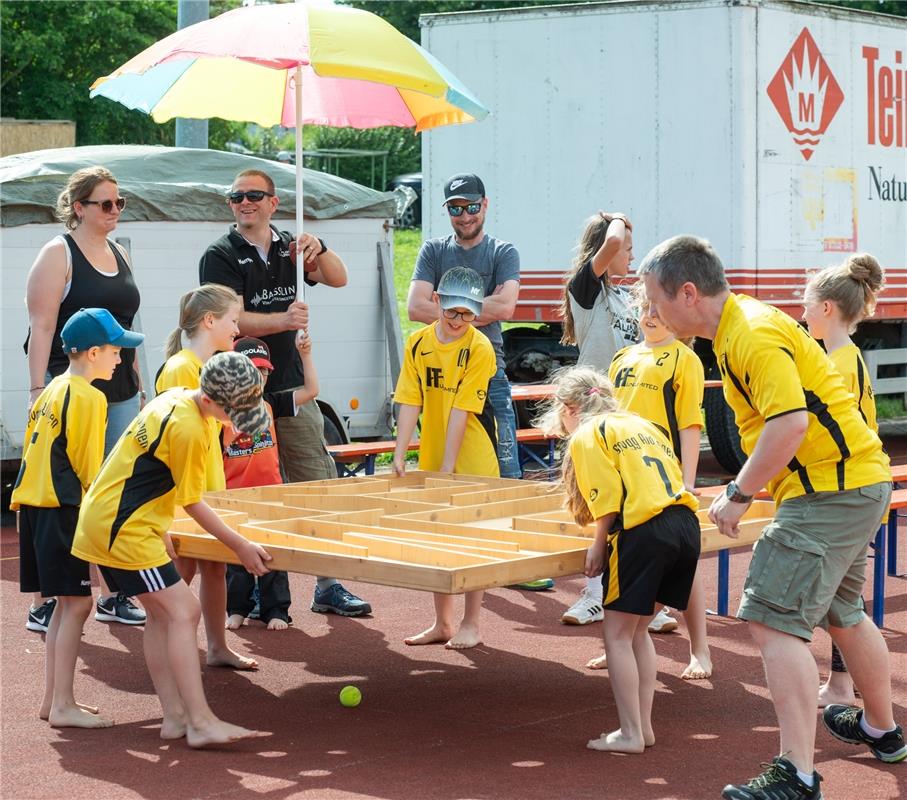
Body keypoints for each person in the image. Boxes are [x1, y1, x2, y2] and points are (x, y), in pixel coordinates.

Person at [640, 235, 902, 799]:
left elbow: (790, 425)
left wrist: (737, 492)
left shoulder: (750, 334)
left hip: (829, 492)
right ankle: (882, 730)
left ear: (687, 293)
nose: (650, 309)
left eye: (654, 297)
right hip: (854, 483)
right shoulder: (743, 327)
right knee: (844, 611)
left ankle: (797, 775)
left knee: (771, 619)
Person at [71, 351, 273, 747]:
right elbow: (192, 501)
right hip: (123, 529)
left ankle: (176, 718)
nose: (238, 425)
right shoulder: (191, 430)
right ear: (212, 402)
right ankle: (198, 721)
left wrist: (158, 522)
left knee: (163, 617)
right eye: (236, 414)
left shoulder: (177, 397)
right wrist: (240, 545)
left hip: (114, 519)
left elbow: (140, 465)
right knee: (185, 611)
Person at [199, 168, 370, 618]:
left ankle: (328, 584)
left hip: (290, 384)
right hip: (240, 394)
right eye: (235, 196)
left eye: (254, 195)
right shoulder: (219, 254)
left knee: (317, 480)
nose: (243, 202)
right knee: (244, 490)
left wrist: (321, 247)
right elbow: (228, 318)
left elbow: (339, 277)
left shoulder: (290, 247)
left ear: (274, 202)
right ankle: (249, 591)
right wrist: (283, 321)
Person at [537, 366, 700, 753]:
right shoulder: (640, 424)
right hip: (683, 524)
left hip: (644, 532)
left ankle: (629, 733)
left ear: (568, 407)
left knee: (615, 635)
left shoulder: (588, 434)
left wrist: (597, 543)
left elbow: (606, 495)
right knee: (637, 631)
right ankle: (641, 728)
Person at [24, 166, 146, 631]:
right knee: (62, 495)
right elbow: (42, 327)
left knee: (110, 488)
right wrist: (37, 392)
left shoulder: (118, 251)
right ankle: (45, 600)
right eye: (106, 204)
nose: (116, 211)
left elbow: (126, 326)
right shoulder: (59, 253)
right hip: (70, 388)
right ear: (79, 208)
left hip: (116, 387)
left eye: (121, 203)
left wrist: (137, 383)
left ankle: (114, 592)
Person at [12, 308, 144, 729]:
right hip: (61, 510)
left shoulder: (51, 389)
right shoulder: (90, 397)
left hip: (33, 509)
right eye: (115, 350)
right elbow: (90, 469)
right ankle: (63, 704)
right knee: (78, 604)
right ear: (91, 353)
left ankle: (55, 700)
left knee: (65, 606)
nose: (120, 359)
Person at [601, 286, 711, 680]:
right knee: (626, 556)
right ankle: (625, 643)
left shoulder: (685, 359)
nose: (649, 315)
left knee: (685, 563)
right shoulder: (622, 357)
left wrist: (687, 481)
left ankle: (699, 649)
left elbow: (689, 425)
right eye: (644, 307)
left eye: (657, 309)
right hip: (623, 474)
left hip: (663, 479)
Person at [393, 267, 499, 649]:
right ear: (436, 300)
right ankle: (443, 623)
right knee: (437, 539)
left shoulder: (480, 347)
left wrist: (449, 466)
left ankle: (471, 623)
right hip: (435, 455)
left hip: (470, 457)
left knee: (473, 541)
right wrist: (401, 452)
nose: (459, 321)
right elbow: (409, 398)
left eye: (468, 314)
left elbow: (462, 410)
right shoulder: (418, 343)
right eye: (452, 312)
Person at [155, 284, 258, 669]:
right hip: (185, 487)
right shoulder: (182, 368)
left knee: (214, 566)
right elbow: (174, 434)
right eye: (233, 320)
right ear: (209, 320)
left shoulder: (210, 366)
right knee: (183, 565)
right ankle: (168, 641)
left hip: (208, 481)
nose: (237, 328)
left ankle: (217, 646)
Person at [802, 253, 885, 708]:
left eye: (809, 303)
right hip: (857, 483)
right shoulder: (844, 355)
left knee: (835, 598)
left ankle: (842, 684)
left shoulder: (837, 362)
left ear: (829, 308)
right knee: (841, 597)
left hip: (846, 487)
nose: (804, 312)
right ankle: (841, 683)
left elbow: (829, 431)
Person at [559, 211, 645, 628]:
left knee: (631, 506)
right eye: (628, 249)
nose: (630, 254)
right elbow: (610, 242)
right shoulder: (585, 288)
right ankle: (594, 594)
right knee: (596, 506)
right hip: (593, 417)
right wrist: (618, 219)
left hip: (625, 416)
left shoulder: (625, 298)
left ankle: (643, 596)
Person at [407, 173, 521, 480]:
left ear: (485, 204)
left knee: (505, 474)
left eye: (471, 207)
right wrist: (484, 305)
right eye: (455, 209)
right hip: (441, 376)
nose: (465, 216)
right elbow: (415, 307)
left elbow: (507, 307)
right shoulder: (433, 250)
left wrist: (447, 308)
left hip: (488, 374)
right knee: (444, 476)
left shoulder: (503, 252)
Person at [223, 335, 320, 631]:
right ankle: (237, 608)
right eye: (253, 371)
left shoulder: (271, 403)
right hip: (234, 497)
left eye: (264, 372)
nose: (261, 378)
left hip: (270, 495)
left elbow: (311, 390)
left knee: (272, 552)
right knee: (236, 558)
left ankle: (276, 609)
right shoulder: (220, 412)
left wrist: (305, 355)